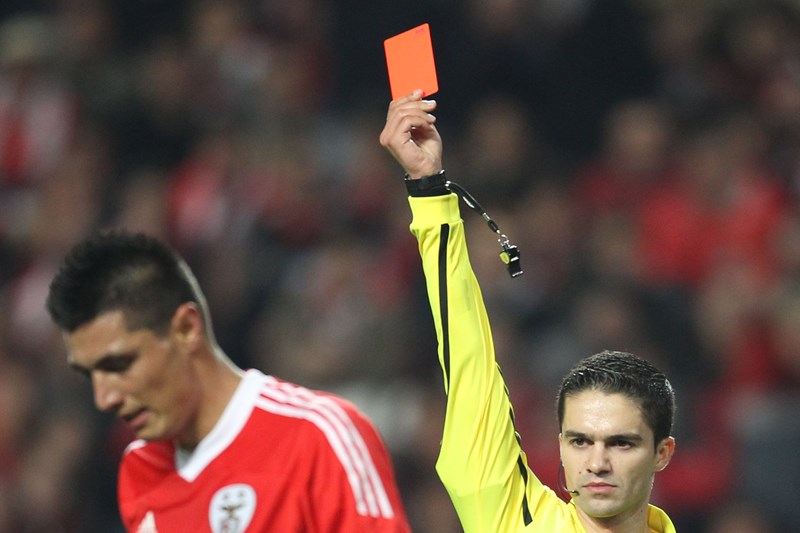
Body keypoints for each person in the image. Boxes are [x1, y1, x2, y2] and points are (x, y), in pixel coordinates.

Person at [380, 90, 677, 532]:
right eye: (579, 441)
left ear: (662, 454)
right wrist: (427, 188)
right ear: (559, 446)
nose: (596, 463)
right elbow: (467, 356)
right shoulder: (512, 518)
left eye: (621, 443)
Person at [45, 231, 411, 532]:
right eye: (89, 374)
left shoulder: (319, 436)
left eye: (119, 364)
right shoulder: (139, 471)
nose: (103, 398)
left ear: (186, 328)